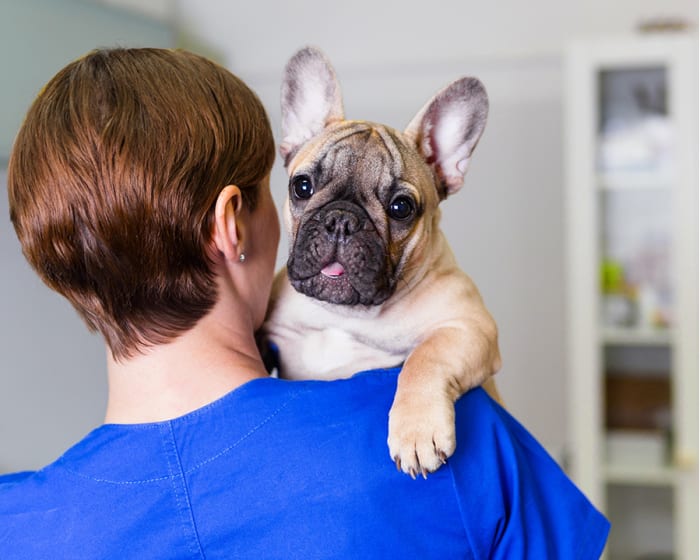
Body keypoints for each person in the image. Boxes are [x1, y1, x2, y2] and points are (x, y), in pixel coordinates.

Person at [0, 47, 609, 559]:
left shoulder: (16, 525)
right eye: (292, 190)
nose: (339, 226)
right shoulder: (462, 441)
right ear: (231, 225)